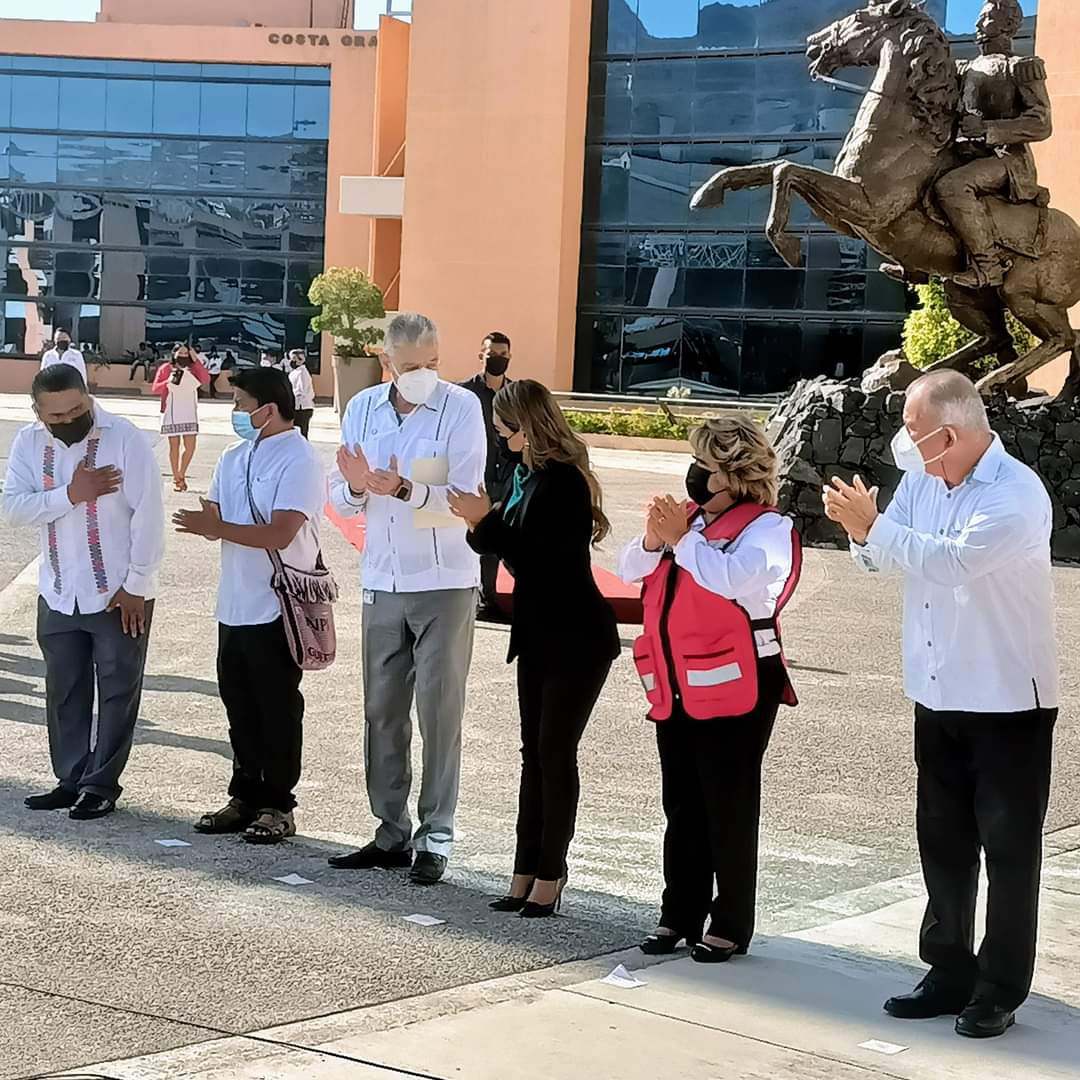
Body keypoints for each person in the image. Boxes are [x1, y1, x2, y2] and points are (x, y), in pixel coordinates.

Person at [824, 370, 1058, 1040]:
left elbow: (953, 562)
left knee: (1009, 852)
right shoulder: (925, 479)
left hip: (1008, 700)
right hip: (937, 692)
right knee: (944, 845)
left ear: (951, 433)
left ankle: (999, 987)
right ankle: (948, 969)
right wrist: (859, 530)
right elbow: (882, 558)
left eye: (915, 429)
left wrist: (878, 531)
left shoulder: (1015, 494)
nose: (905, 440)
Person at [619, 416, 801, 963]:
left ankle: (730, 921)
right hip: (678, 685)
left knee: (728, 803)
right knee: (682, 803)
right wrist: (656, 539)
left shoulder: (770, 530)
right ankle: (679, 912)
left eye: (707, 467)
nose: (695, 476)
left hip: (741, 685)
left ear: (736, 477)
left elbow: (732, 580)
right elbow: (631, 568)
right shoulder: (690, 522)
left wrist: (681, 541)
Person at [449, 380, 619, 917]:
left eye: (504, 427)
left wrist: (486, 520)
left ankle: (552, 872)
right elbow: (507, 550)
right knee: (533, 758)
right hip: (539, 632)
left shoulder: (563, 482)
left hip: (578, 635)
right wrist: (483, 521)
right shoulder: (526, 477)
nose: (499, 437)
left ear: (527, 425)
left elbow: (545, 559)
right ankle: (524, 870)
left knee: (553, 753)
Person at [328, 313, 486, 885]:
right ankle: (389, 830)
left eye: (433, 362)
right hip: (383, 579)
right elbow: (342, 498)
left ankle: (436, 834)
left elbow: (463, 498)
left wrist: (401, 486)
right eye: (413, 364)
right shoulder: (364, 407)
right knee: (382, 712)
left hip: (443, 580)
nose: (425, 374)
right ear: (386, 360)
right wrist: (354, 485)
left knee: (439, 713)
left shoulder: (460, 409)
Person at [3, 364, 164, 820]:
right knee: (63, 689)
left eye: (78, 408)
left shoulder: (124, 438)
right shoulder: (28, 443)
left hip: (117, 593)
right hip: (57, 590)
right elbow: (13, 509)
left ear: (88, 398)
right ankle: (70, 777)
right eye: (57, 415)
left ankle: (101, 784)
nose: (70, 419)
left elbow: (148, 516)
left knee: (117, 690)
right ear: (39, 412)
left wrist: (137, 585)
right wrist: (70, 494)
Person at [174, 367, 326, 845]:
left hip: (276, 606)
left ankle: (278, 804)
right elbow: (218, 514)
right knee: (238, 704)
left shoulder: (299, 458)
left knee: (277, 707)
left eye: (240, 402)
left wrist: (216, 528)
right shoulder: (234, 456)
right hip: (234, 603)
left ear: (269, 407)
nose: (235, 412)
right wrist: (210, 521)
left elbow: (282, 531)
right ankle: (243, 794)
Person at [935, 0, 1051, 289]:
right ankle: (915, 265)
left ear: (1009, 25)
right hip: (965, 154)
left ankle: (988, 266)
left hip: (1006, 161)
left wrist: (987, 128)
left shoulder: (1021, 68)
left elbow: (1041, 124)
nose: (976, 25)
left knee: (952, 187)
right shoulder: (965, 69)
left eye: (985, 18)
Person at [460, 331, 516, 619]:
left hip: (507, 476)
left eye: (503, 355)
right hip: (473, 477)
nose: (497, 359)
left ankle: (490, 597)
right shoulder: (463, 393)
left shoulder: (514, 394)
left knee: (502, 537)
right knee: (473, 535)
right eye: (492, 353)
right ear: (481, 354)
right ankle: (479, 596)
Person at [153, 343, 210, 493]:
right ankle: (177, 477)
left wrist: (195, 360)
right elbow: (155, 388)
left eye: (186, 353)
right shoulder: (166, 368)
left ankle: (182, 472)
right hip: (171, 411)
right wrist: (168, 381)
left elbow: (205, 379)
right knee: (174, 447)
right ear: (174, 353)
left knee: (190, 447)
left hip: (189, 412)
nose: (184, 356)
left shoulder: (194, 368)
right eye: (181, 353)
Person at [288, 349, 315, 439]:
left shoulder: (302, 373)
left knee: (301, 433)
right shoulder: (295, 372)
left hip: (302, 408)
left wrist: (290, 393)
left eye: (294, 359)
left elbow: (301, 391)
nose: (292, 361)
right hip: (297, 406)